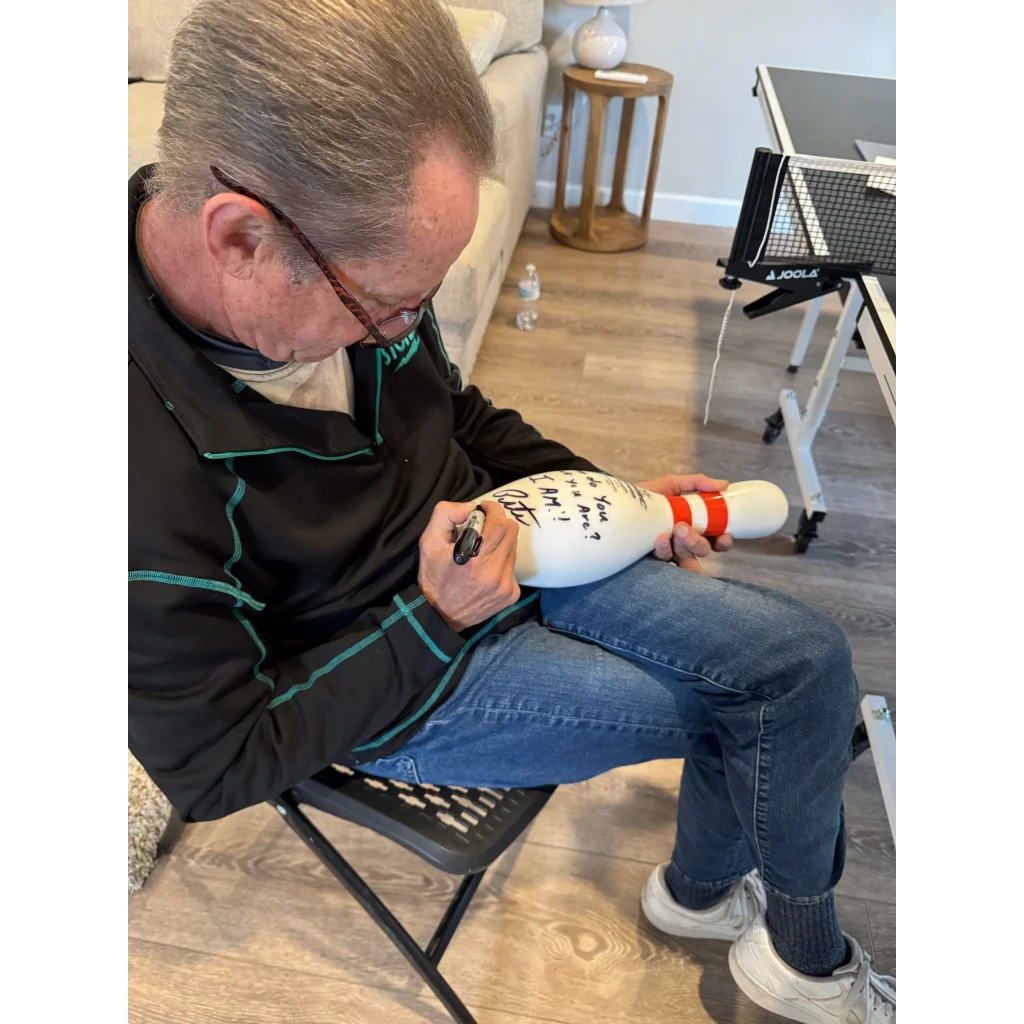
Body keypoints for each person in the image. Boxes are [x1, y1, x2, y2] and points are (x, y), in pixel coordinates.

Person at [127, 1, 895, 1020]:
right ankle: (796, 952)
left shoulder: (338, 264)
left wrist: (612, 495)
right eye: (392, 304)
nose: (405, 326)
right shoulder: (149, 474)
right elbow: (218, 765)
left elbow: (460, 412)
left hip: (508, 544)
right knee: (771, 709)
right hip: (391, 673)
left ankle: (707, 900)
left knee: (804, 660)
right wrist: (431, 617)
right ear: (240, 238)